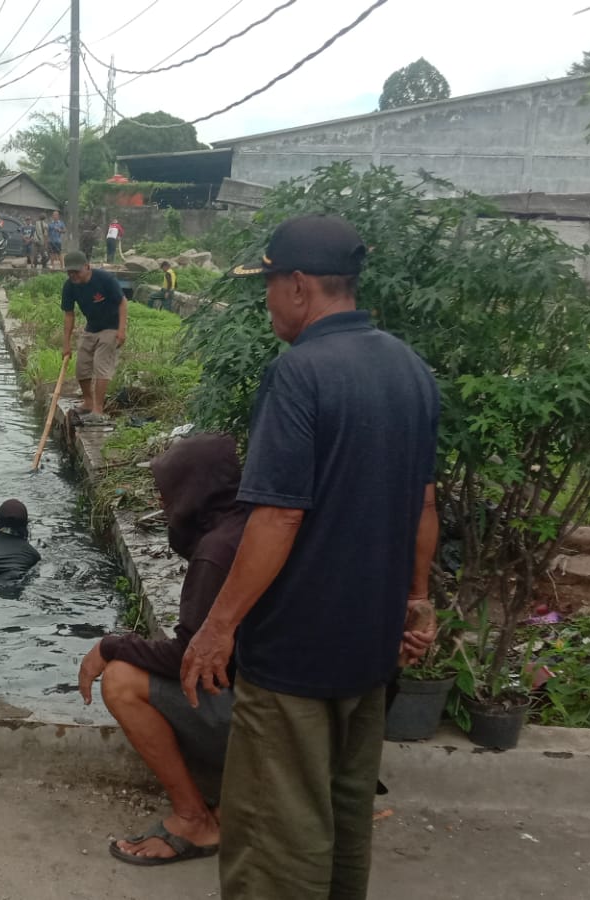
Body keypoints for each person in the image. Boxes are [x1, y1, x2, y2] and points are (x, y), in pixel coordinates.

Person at [182, 214, 440, 899]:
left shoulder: (300, 374)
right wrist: (418, 601)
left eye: (268, 283)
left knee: (275, 835)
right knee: (344, 817)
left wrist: (220, 626)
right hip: (369, 651)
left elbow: (279, 514)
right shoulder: (409, 368)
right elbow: (424, 505)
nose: (266, 298)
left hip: (296, 656)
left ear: (298, 286)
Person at [77, 434, 246, 866]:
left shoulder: (216, 553)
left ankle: (193, 819)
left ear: (193, 491)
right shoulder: (252, 527)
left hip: (261, 723)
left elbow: (190, 659)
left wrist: (113, 644)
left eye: (166, 490)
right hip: (299, 710)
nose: (160, 499)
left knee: (120, 679)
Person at [60, 251, 127, 424]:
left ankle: (98, 410)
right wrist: (66, 344)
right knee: (82, 366)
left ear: (87, 267)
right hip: (91, 328)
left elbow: (122, 302)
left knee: (100, 365)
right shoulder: (69, 286)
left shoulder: (105, 280)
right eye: (70, 272)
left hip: (111, 327)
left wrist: (121, 330)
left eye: (76, 272)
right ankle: (88, 402)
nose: (73, 276)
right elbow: (69, 315)